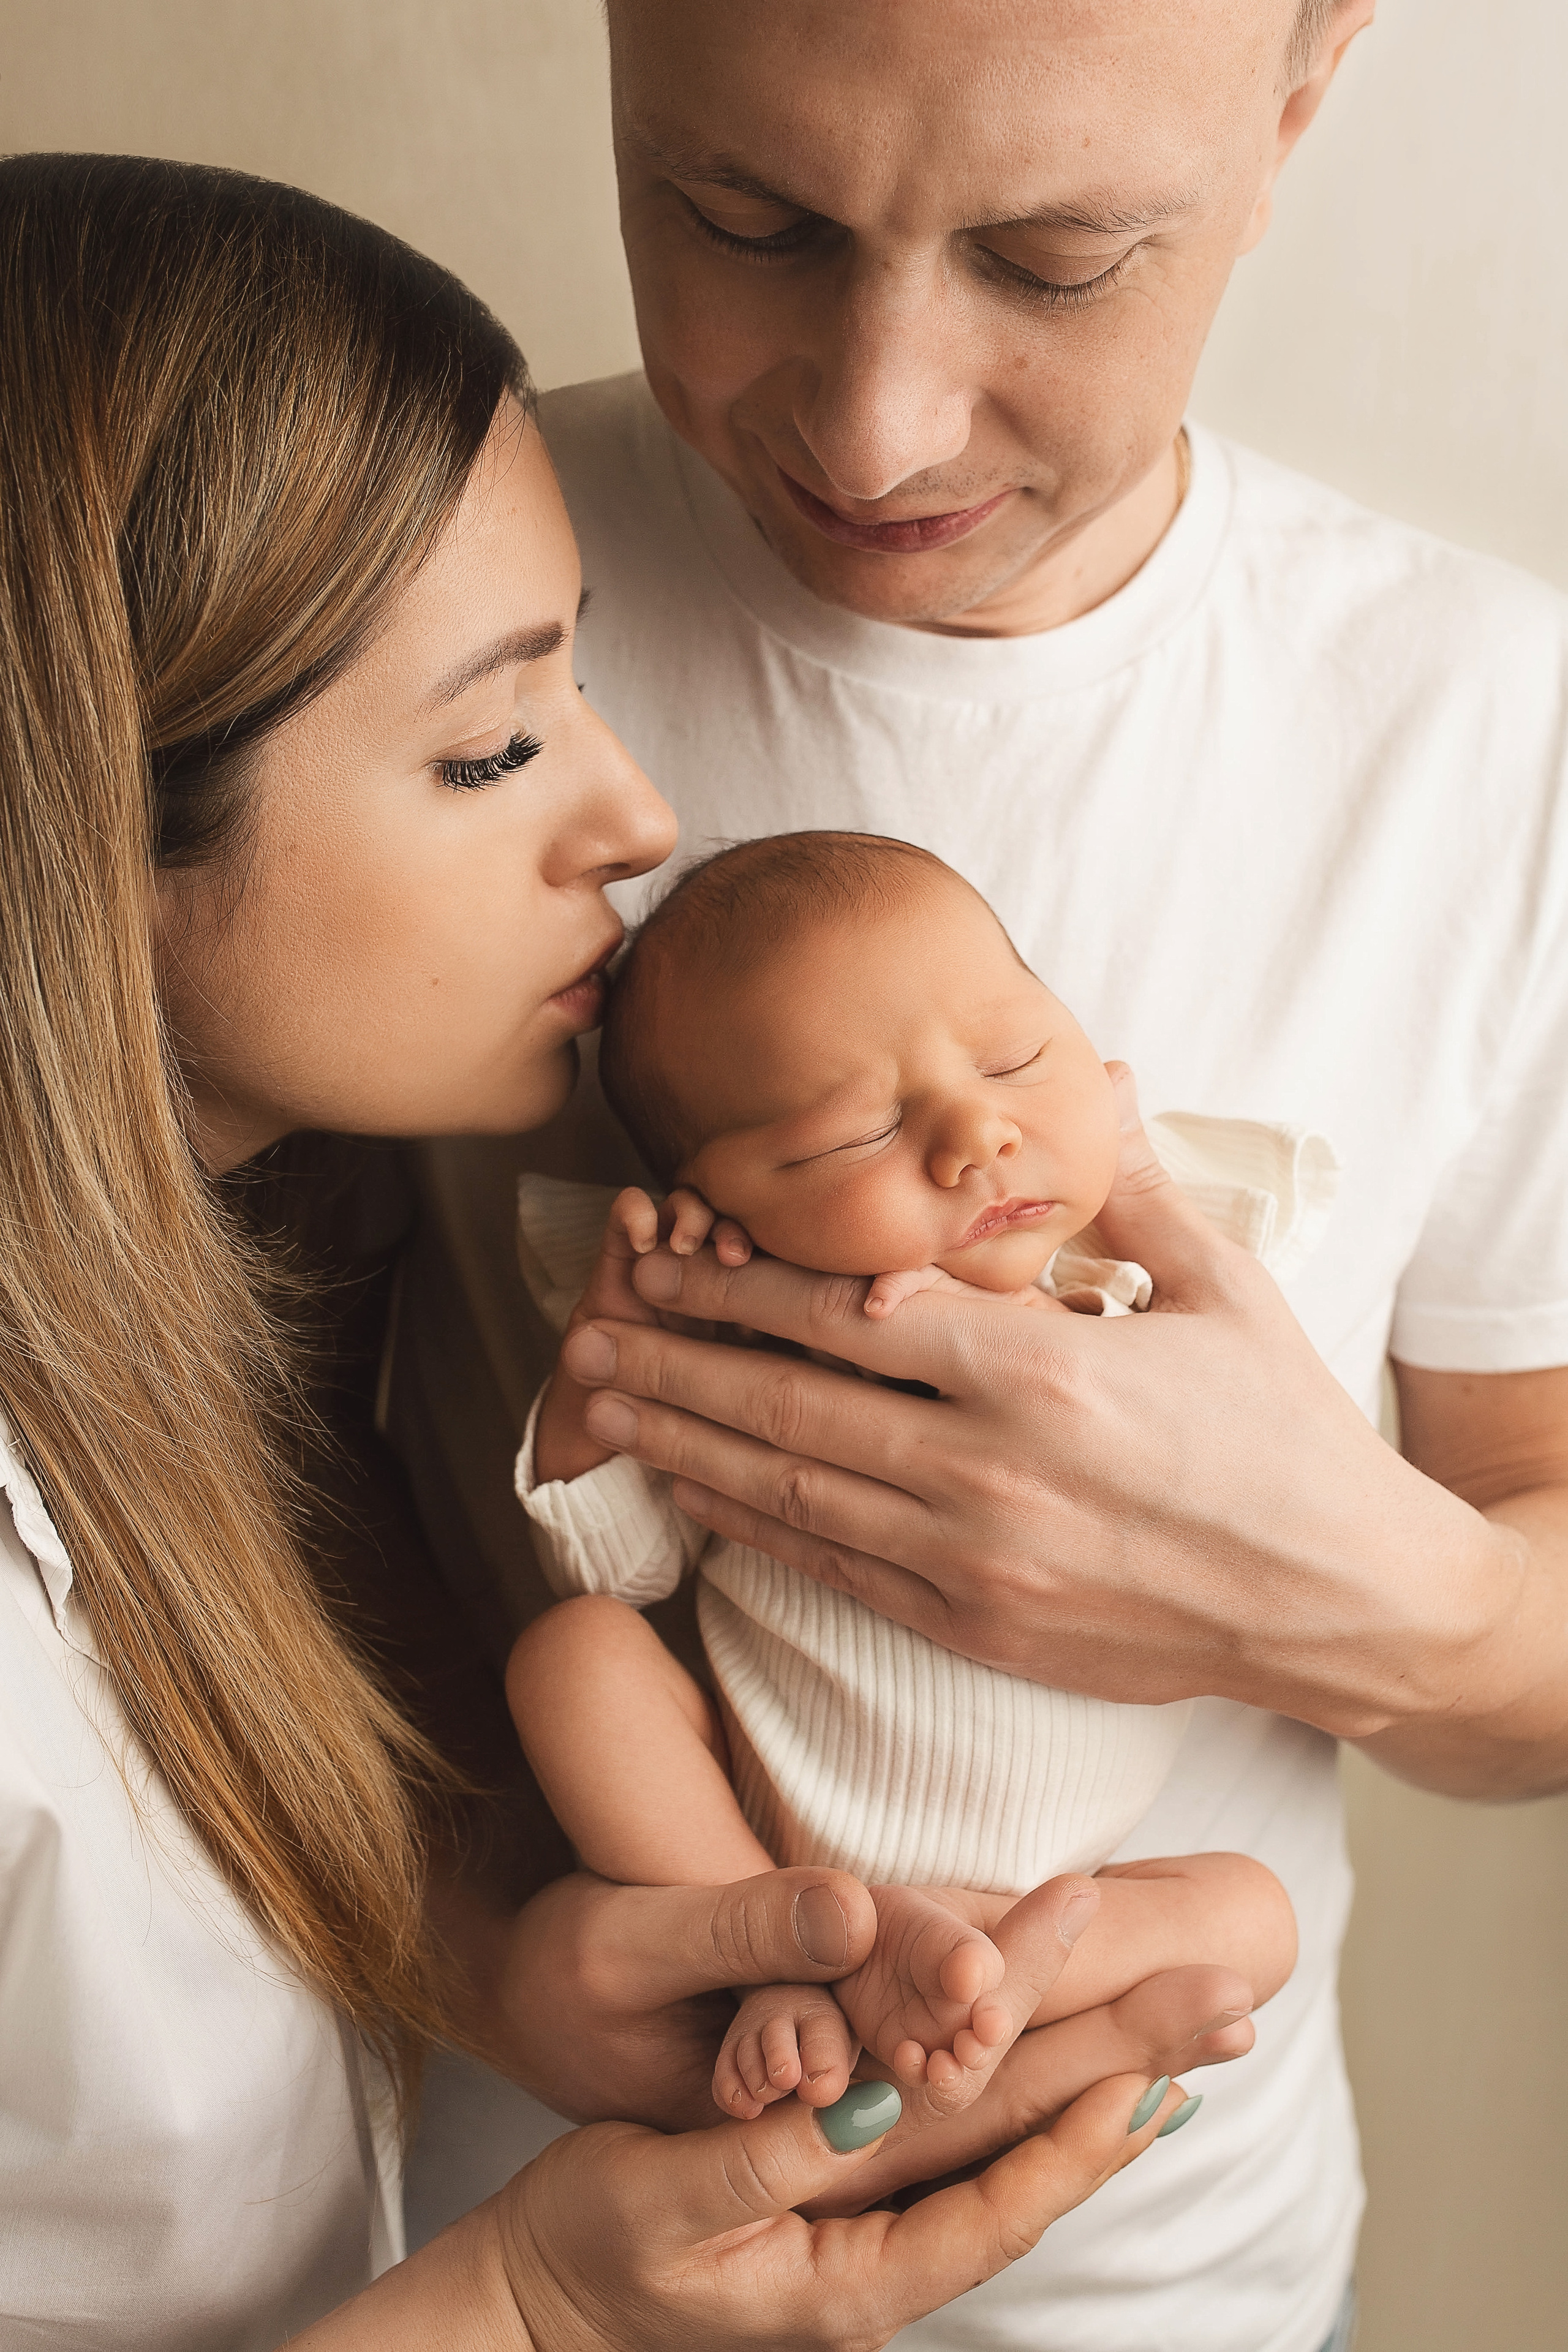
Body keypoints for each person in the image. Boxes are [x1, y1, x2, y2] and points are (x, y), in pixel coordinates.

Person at [389, 3, 1568, 2349]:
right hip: (497, 2240)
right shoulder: (436, 594)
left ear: (1300, 98)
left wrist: (1348, 1593)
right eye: (743, 219)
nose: (875, 421)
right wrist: (469, 1939)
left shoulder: (1484, 740)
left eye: (1058, 258)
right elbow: (148, 1478)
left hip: (1173, 2279)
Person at [0, 151, 1208, 2350]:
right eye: (488, 745)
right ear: (79, 825)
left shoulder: (188, 1364)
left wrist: (491, 1952)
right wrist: (529, 2313)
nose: (641, 817)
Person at [508, 831, 1300, 2122]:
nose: (974, 1134)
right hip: (771, 1869)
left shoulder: (1141, 1306)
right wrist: (612, 1370)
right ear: (717, 1208)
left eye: (1012, 1060)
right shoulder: (729, 1352)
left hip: (1065, 1892)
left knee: (1252, 1916)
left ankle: (982, 1973)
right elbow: (618, 1566)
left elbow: (1282, 1514)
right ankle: (777, 1956)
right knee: (575, 1655)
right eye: (854, 1132)